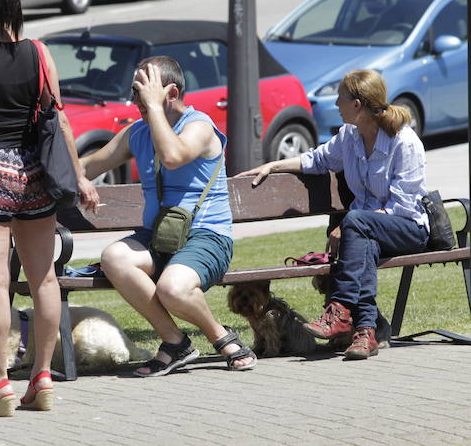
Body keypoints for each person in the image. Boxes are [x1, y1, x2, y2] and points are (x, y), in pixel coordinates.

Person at [0, 0, 98, 416]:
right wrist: (80, 176)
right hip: (34, 174)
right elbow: (59, 119)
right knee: (44, 277)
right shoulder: (39, 53)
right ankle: (42, 378)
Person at [79, 56, 256, 376]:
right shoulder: (138, 133)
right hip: (159, 237)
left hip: (207, 237)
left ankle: (220, 336)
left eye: (143, 91)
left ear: (171, 93)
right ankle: (175, 343)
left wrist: (154, 108)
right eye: (135, 91)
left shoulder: (199, 126)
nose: (136, 100)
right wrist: (75, 176)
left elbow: (173, 156)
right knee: (114, 257)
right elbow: (89, 166)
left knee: (173, 288)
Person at [236, 69, 428, 360]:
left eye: (340, 98)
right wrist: (273, 166)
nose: (336, 104)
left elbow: (400, 206)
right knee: (363, 246)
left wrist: (351, 223)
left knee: (356, 226)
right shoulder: (350, 136)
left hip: (408, 228)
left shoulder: (404, 141)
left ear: (357, 104)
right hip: (367, 234)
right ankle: (366, 332)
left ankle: (338, 311)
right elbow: (316, 159)